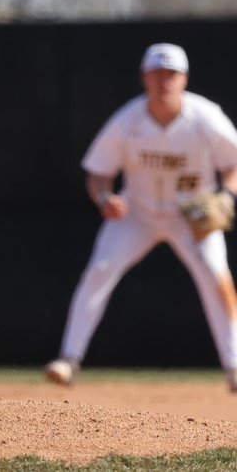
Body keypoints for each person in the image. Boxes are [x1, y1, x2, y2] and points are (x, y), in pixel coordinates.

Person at [45, 43, 237, 390]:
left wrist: (228, 194)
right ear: (145, 78)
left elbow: (234, 163)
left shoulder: (205, 118)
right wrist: (104, 197)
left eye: (171, 74)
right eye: (157, 74)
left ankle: (235, 367)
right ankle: (68, 360)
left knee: (217, 277)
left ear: (184, 79)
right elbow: (98, 173)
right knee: (99, 271)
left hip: (192, 213)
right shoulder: (127, 120)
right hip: (138, 212)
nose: (164, 81)